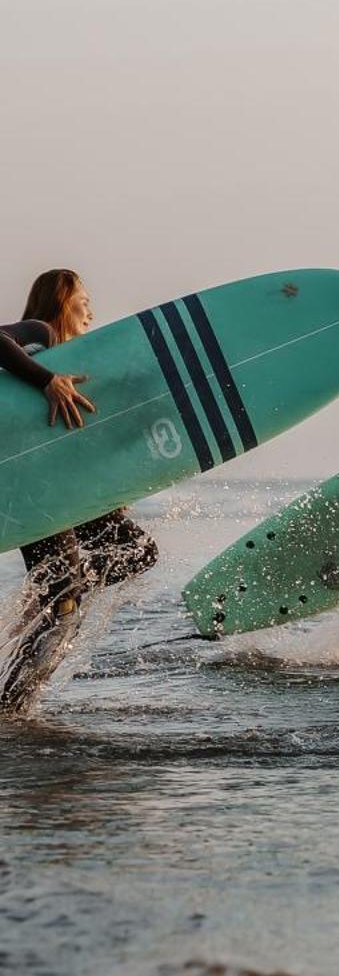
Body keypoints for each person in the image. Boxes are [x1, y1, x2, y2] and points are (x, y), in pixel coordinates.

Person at [2, 270, 159, 708]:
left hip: (67, 492)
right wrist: (45, 380)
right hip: (35, 494)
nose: (90, 309)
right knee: (65, 605)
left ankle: (49, 602)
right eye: (82, 299)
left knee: (137, 552)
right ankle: (11, 710)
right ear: (60, 300)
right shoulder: (39, 333)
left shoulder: (75, 368)